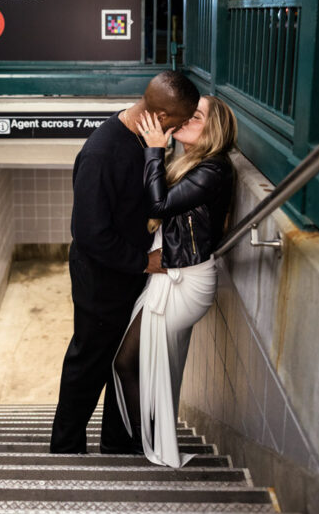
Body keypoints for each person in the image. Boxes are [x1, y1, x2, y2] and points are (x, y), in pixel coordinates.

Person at [50, 70, 200, 454]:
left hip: (130, 273)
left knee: (124, 362)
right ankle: (65, 449)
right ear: (162, 117)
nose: (182, 129)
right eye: (181, 122)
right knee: (89, 362)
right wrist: (144, 262)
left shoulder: (146, 138)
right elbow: (89, 234)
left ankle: (117, 444)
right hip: (101, 280)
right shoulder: (103, 152)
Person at [113, 95, 237, 467]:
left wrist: (154, 150)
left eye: (195, 117)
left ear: (213, 128)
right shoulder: (192, 162)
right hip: (173, 274)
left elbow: (158, 206)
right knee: (138, 362)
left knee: (130, 362)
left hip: (185, 282)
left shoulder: (213, 169)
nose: (185, 120)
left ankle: (148, 441)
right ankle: (147, 438)